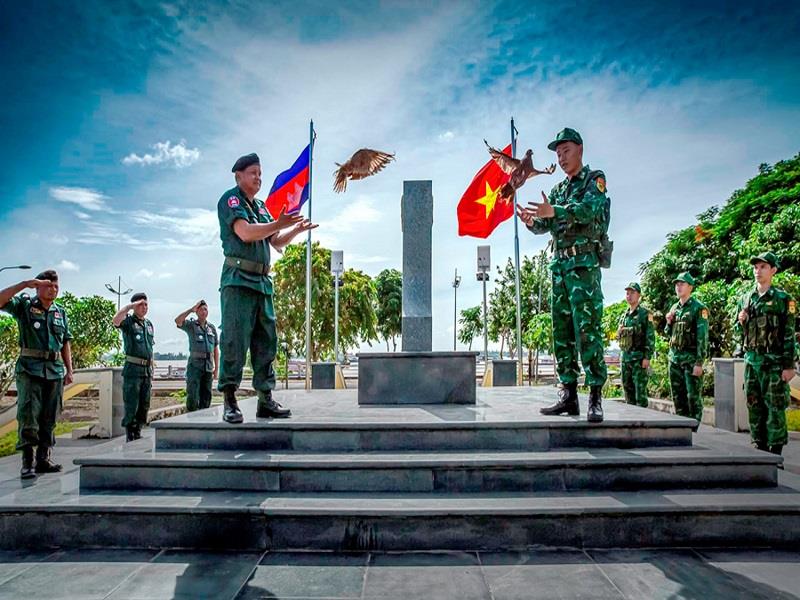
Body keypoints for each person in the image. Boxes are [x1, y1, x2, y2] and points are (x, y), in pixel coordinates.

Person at [516, 127, 611, 423]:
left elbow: (587, 211)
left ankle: (595, 396)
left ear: (580, 150)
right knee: (563, 333)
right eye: (557, 153)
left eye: (566, 150)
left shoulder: (594, 180)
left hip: (583, 268)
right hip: (559, 269)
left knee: (588, 330)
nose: (561, 157)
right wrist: (533, 221)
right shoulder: (557, 190)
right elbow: (547, 225)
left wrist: (554, 212)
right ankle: (568, 394)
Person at [217, 152, 316, 423]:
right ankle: (230, 399)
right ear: (238, 176)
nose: (258, 178)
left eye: (260, 173)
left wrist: (295, 230)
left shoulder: (262, 206)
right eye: (253, 173)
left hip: (262, 283)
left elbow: (276, 241)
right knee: (235, 341)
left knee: (266, 342)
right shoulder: (231, 199)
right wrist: (278, 223)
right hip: (238, 280)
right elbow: (246, 233)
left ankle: (265, 399)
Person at [0, 270, 73, 479]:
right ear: (38, 286)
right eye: (48, 285)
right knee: (29, 415)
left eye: (56, 286)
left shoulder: (60, 312)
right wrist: (24, 284)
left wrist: (69, 369)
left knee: (50, 417)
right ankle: (28, 461)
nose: (53, 289)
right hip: (30, 369)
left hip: (55, 370)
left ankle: (44, 459)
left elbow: (65, 342)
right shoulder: (25, 306)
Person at [735, 252, 797, 457]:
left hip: (773, 363)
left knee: (775, 406)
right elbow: (739, 334)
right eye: (755, 267)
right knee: (754, 403)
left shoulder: (782, 299)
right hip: (752, 361)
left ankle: (775, 450)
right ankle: (759, 446)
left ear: (773, 270)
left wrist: (789, 366)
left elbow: (788, 335)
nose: (757, 271)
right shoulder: (746, 298)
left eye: (763, 267)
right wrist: (740, 320)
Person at [665, 272, 708, 423]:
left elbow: (702, 337)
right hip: (674, 358)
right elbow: (667, 333)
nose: (678, 287)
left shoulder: (698, 308)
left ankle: (694, 428)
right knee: (678, 396)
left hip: (690, 359)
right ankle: (681, 427)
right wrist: (668, 322)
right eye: (677, 284)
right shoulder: (674, 307)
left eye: (682, 284)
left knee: (693, 396)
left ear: (690, 287)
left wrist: (699, 362)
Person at [113, 292, 154, 441]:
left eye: (146, 304)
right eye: (140, 304)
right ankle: (130, 432)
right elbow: (116, 321)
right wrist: (129, 307)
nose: (144, 307)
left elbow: (150, 348)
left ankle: (138, 430)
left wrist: (152, 369)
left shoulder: (148, 324)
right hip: (133, 370)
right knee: (132, 403)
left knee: (144, 404)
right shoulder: (129, 322)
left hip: (146, 371)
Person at [175, 300, 218, 412]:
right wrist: (190, 310)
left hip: (208, 367)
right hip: (195, 366)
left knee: (206, 396)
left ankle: (204, 422)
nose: (204, 311)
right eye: (201, 309)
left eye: (206, 309)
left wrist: (216, 369)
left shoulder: (211, 328)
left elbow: (215, 350)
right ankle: (191, 420)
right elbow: (178, 321)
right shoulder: (191, 325)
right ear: (197, 311)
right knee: (193, 395)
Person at [617, 282, 655, 407]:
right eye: (627, 293)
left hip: (638, 359)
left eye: (632, 293)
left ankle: (643, 422)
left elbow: (650, 336)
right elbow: (620, 337)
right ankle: (630, 420)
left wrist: (647, 357)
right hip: (625, 358)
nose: (629, 295)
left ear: (639, 295)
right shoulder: (624, 315)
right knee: (628, 391)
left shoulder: (645, 314)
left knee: (640, 393)